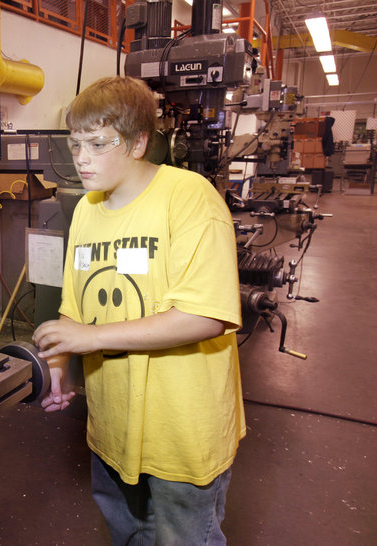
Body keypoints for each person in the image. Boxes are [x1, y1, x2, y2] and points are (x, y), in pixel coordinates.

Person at [32, 76, 245, 545]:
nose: (81, 158)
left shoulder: (189, 198)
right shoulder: (88, 209)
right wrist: (59, 367)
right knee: (126, 535)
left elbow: (204, 315)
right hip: (111, 427)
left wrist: (89, 339)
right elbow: (76, 310)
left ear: (139, 141)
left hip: (181, 432)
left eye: (98, 143)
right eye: (75, 144)